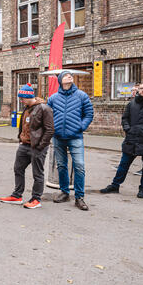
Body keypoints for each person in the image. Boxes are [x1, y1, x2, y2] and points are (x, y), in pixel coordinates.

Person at [100, 81, 143, 198]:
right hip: (132, 139)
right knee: (123, 164)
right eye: (141, 88)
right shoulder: (132, 103)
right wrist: (128, 129)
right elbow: (125, 118)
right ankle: (115, 185)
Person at [0, 84, 54, 209]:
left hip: (37, 147)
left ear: (28, 96)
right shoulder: (27, 108)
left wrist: (40, 146)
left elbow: (50, 130)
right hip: (24, 145)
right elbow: (23, 125)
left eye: (22, 98)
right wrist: (20, 138)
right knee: (18, 169)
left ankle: (36, 199)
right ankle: (17, 195)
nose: (21, 100)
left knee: (37, 174)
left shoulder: (44, 108)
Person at [47, 70, 94, 211]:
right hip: (58, 137)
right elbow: (48, 116)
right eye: (66, 75)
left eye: (70, 75)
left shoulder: (81, 96)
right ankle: (64, 192)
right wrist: (52, 129)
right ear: (60, 80)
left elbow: (89, 113)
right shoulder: (53, 98)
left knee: (79, 166)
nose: (69, 76)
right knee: (61, 165)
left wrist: (81, 126)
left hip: (76, 137)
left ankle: (79, 197)